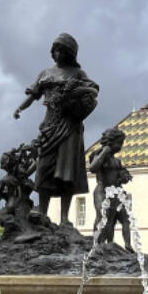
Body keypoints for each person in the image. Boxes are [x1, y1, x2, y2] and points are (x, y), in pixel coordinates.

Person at [13, 33, 99, 226]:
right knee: (44, 168)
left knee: (66, 173)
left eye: (62, 50)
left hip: (70, 126)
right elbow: (33, 95)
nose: (57, 53)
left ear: (70, 53)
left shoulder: (78, 74)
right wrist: (20, 108)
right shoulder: (45, 73)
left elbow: (93, 92)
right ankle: (42, 213)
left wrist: (77, 93)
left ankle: (64, 218)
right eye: (55, 50)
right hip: (50, 125)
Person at [88, 126, 133, 249]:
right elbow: (93, 168)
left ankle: (127, 245)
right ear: (111, 142)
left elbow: (122, 173)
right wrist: (104, 152)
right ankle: (97, 242)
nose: (121, 146)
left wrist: (125, 176)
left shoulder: (117, 161)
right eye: (119, 143)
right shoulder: (98, 155)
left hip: (115, 192)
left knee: (125, 217)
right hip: (102, 191)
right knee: (103, 215)